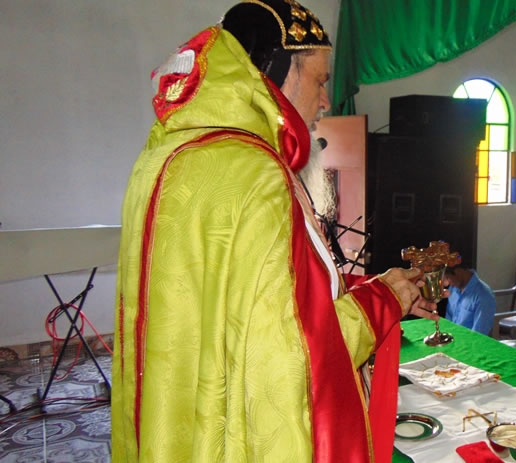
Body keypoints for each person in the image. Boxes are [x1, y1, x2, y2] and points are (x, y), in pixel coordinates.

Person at [112, 2, 438, 461]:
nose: (326, 101)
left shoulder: (163, 156)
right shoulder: (256, 173)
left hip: (173, 416)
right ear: (281, 70)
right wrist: (383, 301)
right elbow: (288, 359)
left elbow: (245, 299)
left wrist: (369, 285)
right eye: (320, 81)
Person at [445, 263, 496, 335]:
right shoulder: (453, 289)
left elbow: (478, 336)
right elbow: (448, 320)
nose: (447, 283)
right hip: (452, 337)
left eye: (447, 278)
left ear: (458, 271)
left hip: (468, 341)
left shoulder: (484, 297)